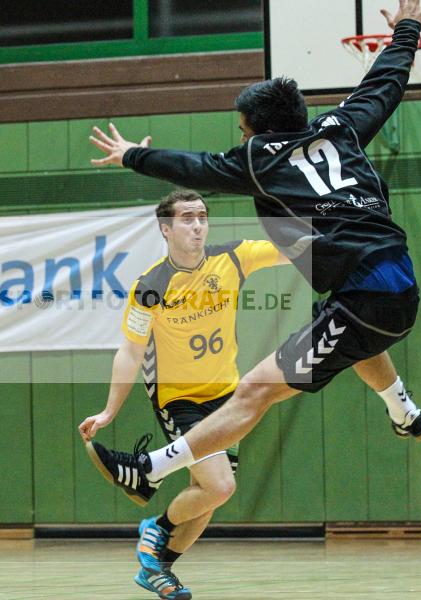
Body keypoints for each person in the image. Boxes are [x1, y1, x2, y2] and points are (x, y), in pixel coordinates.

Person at [84, 0, 421, 569]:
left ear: (259, 130)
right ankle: (403, 412)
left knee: (253, 391)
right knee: (345, 331)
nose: (240, 134)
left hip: (370, 295)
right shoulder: (342, 125)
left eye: (244, 128)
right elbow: (386, 82)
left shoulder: (257, 159)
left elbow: (193, 168)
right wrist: (408, 28)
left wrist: (133, 155)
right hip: (391, 285)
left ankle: (149, 469)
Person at [79, 188, 290, 600]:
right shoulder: (151, 285)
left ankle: (159, 569)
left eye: (202, 217)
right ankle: (155, 530)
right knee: (220, 486)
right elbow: (130, 351)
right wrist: (109, 411)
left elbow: (295, 249)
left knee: (208, 497)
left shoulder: (233, 258)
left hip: (227, 396)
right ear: (166, 228)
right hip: (179, 398)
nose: (197, 225)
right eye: (187, 218)